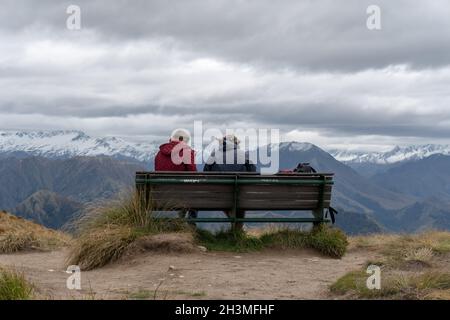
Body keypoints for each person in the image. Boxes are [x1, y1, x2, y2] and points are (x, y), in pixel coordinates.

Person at [203, 134, 257, 231]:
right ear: (236, 143)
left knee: (226, 202)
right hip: (240, 193)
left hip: (219, 194)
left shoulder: (214, 154)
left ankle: (236, 227)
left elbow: (205, 172)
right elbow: (253, 171)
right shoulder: (243, 154)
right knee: (240, 204)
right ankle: (238, 230)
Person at [154, 129, 197, 223]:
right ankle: (191, 226)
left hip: (161, 195)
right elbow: (193, 175)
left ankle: (180, 222)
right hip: (181, 195)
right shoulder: (187, 152)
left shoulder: (159, 154)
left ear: (171, 139)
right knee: (195, 193)